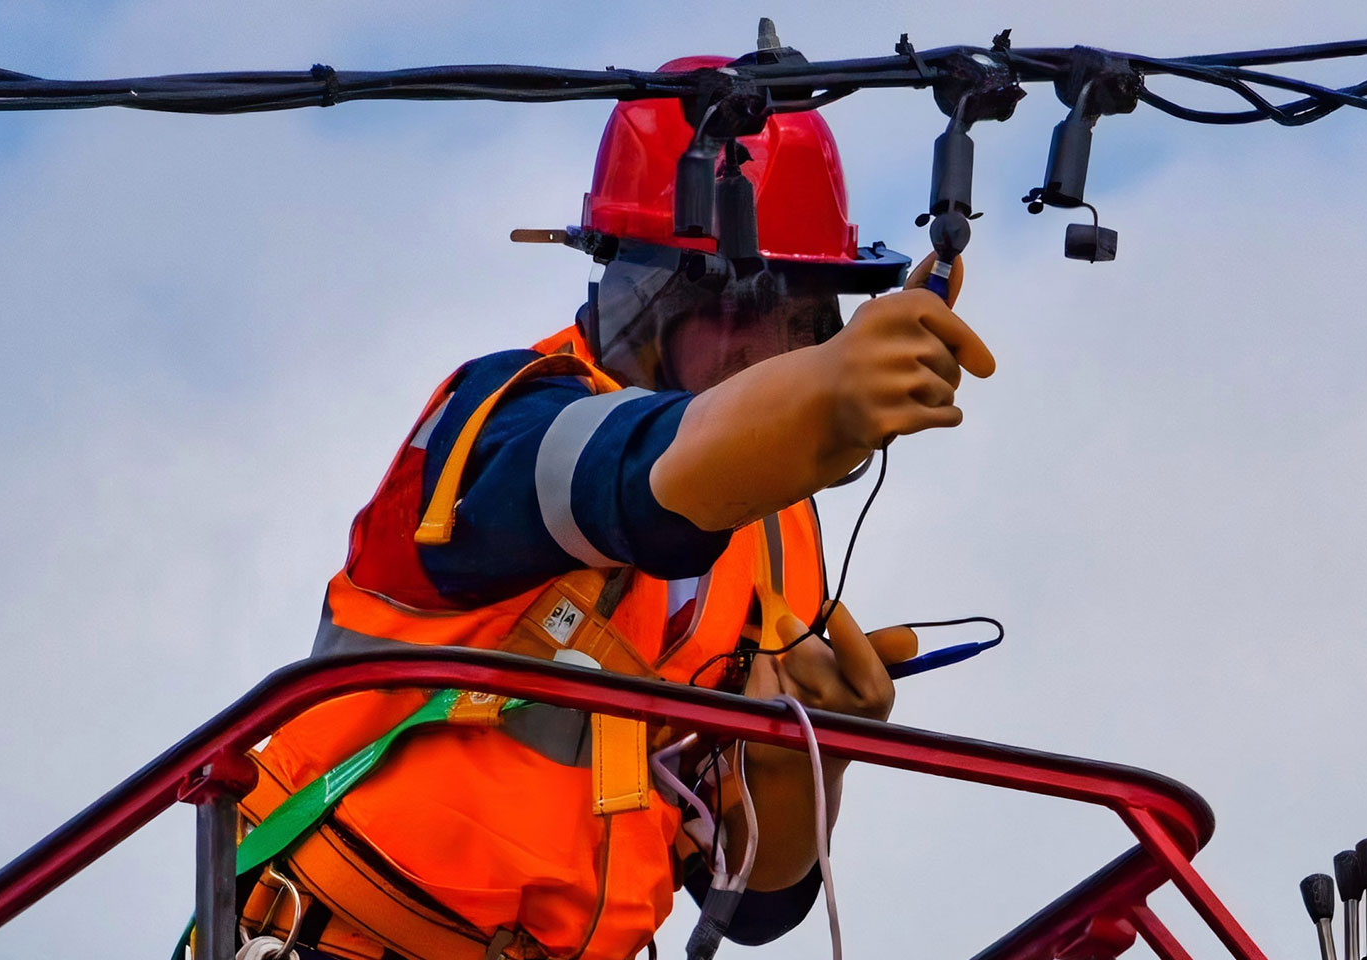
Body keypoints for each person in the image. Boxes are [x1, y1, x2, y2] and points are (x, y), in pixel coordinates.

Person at [221, 55, 998, 960]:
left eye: (807, 316)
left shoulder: (778, 544)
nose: (777, 344)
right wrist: (815, 401)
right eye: (753, 301)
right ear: (654, 296)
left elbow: (747, 907)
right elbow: (630, 478)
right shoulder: (496, 423)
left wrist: (798, 768)